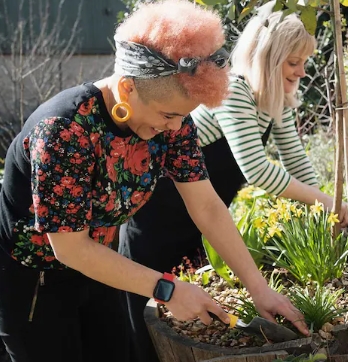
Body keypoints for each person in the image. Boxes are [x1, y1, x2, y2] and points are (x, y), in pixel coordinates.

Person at [0, 1, 308, 361]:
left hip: (103, 269)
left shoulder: (173, 124)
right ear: (128, 88)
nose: (176, 127)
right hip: (35, 281)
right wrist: (167, 289)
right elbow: (70, 247)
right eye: (168, 115)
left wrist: (260, 290)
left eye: (183, 117)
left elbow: (207, 206)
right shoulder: (64, 130)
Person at [119, 6, 348, 362]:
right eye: (293, 61)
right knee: (150, 319)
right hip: (160, 215)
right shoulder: (234, 92)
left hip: (202, 218)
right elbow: (258, 170)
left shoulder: (273, 101)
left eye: (304, 61)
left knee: (191, 312)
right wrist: (328, 203)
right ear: (269, 57)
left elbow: (296, 161)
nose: (302, 70)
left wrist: (329, 213)